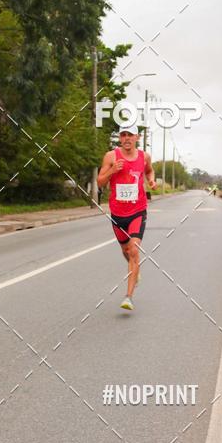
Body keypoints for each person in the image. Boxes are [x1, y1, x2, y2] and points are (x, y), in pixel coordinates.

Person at [97, 123, 156, 310]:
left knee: (134, 251)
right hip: (117, 213)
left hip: (138, 210)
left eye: (130, 135)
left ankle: (128, 297)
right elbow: (99, 181)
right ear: (120, 138)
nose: (127, 138)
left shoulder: (144, 157)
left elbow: (149, 171)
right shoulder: (111, 156)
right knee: (125, 251)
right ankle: (135, 269)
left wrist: (151, 180)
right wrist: (112, 170)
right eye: (123, 135)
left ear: (137, 138)